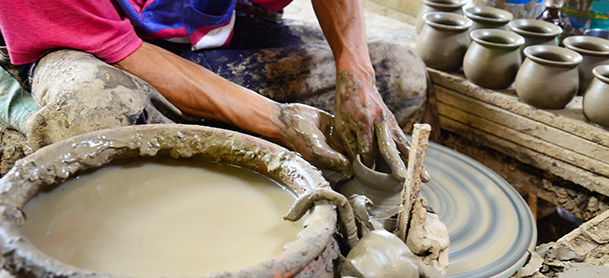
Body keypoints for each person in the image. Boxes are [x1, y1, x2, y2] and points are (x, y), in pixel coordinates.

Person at [0, 0, 429, 181]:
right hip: (93, 50)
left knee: (400, 75)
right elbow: (116, 48)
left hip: (215, 39)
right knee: (94, 113)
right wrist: (276, 119)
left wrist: (356, 74)